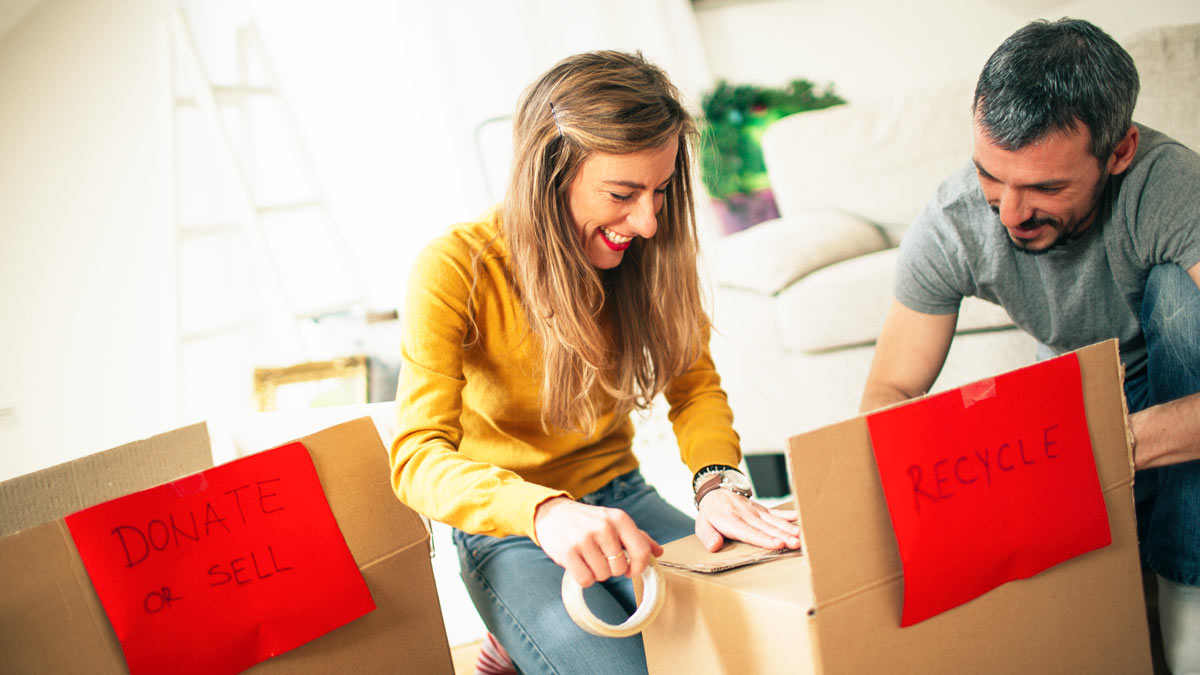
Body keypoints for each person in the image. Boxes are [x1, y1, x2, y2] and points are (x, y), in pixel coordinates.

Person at [389, 50, 801, 675]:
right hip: (513, 529)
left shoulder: (651, 252)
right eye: (622, 193)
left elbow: (694, 388)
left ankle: (523, 640)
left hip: (623, 497)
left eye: (660, 191)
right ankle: (519, 629)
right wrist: (545, 513)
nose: (648, 221)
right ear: (549, 174)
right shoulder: (453, 267)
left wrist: (717, 483)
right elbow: (416, 458)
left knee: (752, 638)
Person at [860, 18, 1200, 673]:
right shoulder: (957, 218)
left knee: (1180, 296)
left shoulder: (1170, 186)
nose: (1011, 212)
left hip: (1168, 404)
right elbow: (890, 389)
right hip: (1092, 401)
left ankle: (1188, 602)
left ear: (1120, 151)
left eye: (1045, 187)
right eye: (993, 176)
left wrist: (1115, 443)